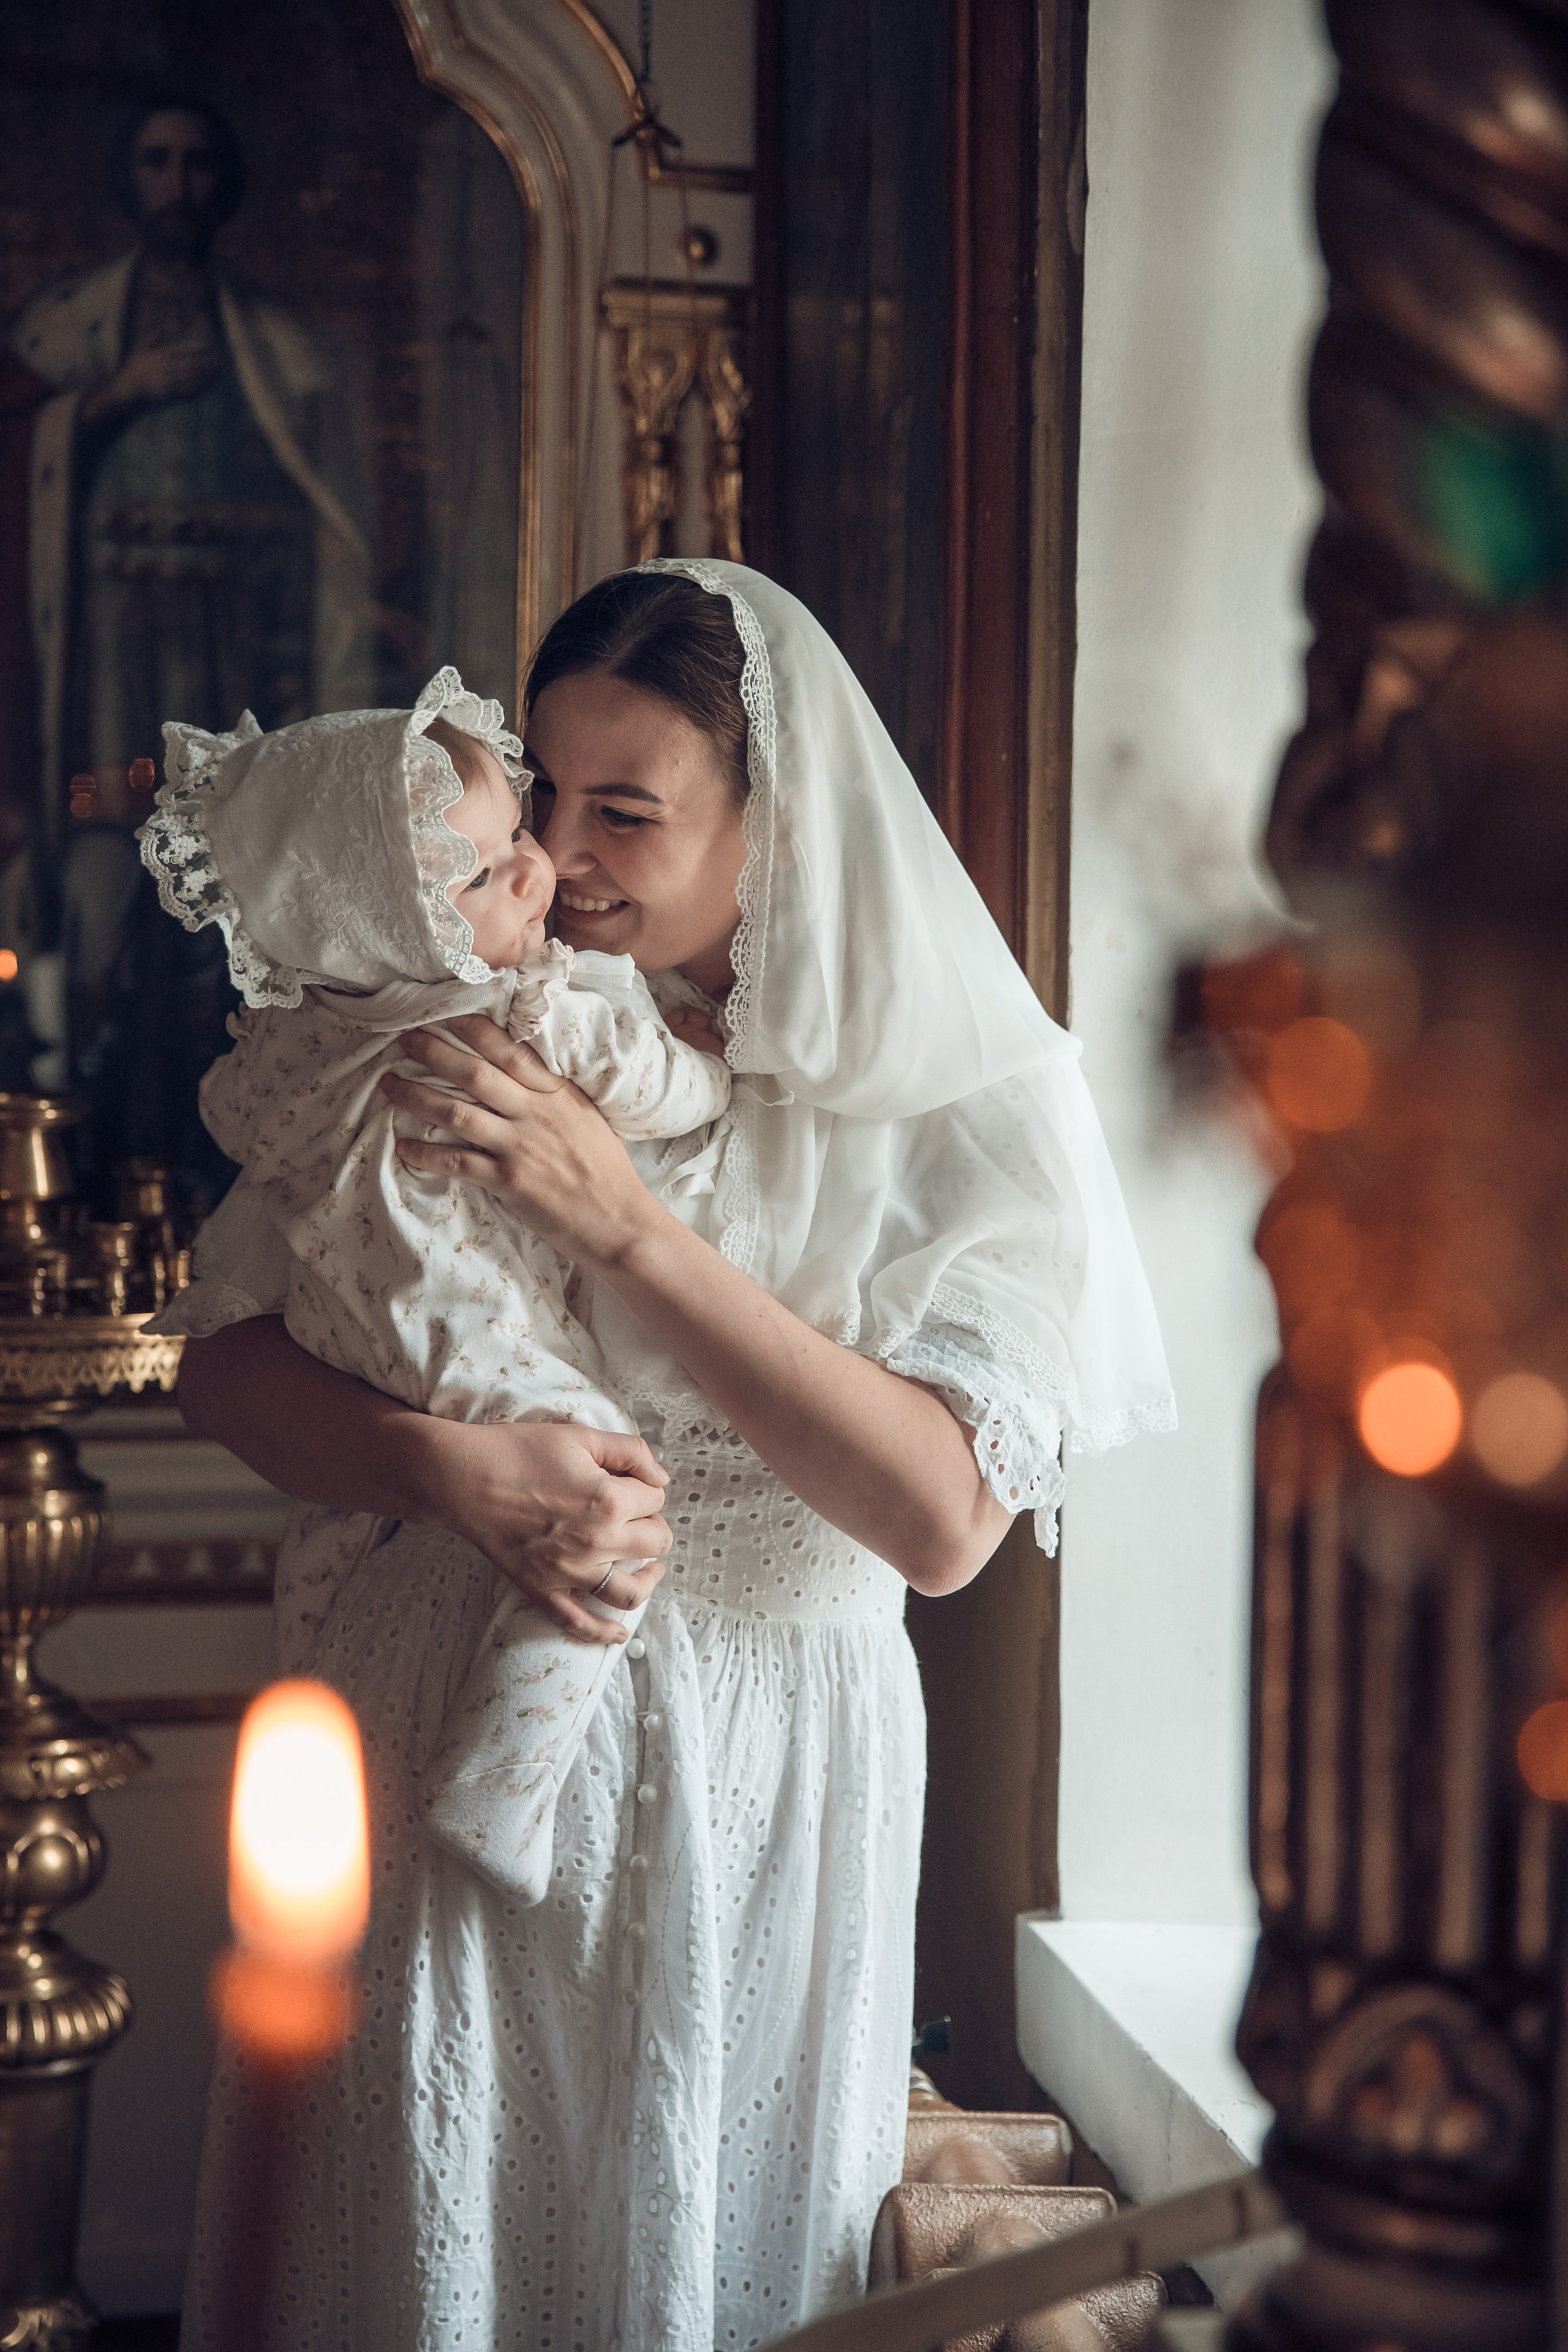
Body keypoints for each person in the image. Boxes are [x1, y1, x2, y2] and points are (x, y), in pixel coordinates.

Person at [175, 561, 1176, 2352]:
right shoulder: (470, 1007)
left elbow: (942, 1517)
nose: (560, 855)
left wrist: (628, 1229)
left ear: (775, 822)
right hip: (442, 1723)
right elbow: (228, 1365)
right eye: (543, 796)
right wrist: (448, 1475)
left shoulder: (969, 1101)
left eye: (627, 811)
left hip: (773, 1777)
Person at [139, 665, 731, 1902]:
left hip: (353, 1333)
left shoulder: (302, 1039)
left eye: (517, 833)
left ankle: (308, 1720)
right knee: (605, 1482)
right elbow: (662, 1085)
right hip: (456, 1326)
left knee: (327, 1546)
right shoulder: (510, 1012)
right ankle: (505, 1782)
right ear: (389, 932)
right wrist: (711, 1067)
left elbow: (238, 1131)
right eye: (483, 872)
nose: (538, 870)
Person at [1, 94, 368, 1201]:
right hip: (104, 658)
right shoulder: (69, 330)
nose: (179, 186)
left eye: (199, 164)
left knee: (218, 930)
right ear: (131, 178)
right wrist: (111, 400)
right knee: (111, 908)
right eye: (157, 163)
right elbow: (19, 444)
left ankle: (210, 1174)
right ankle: (99, 1163)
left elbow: (319, 508)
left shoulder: (271, 342)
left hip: (227, 649)